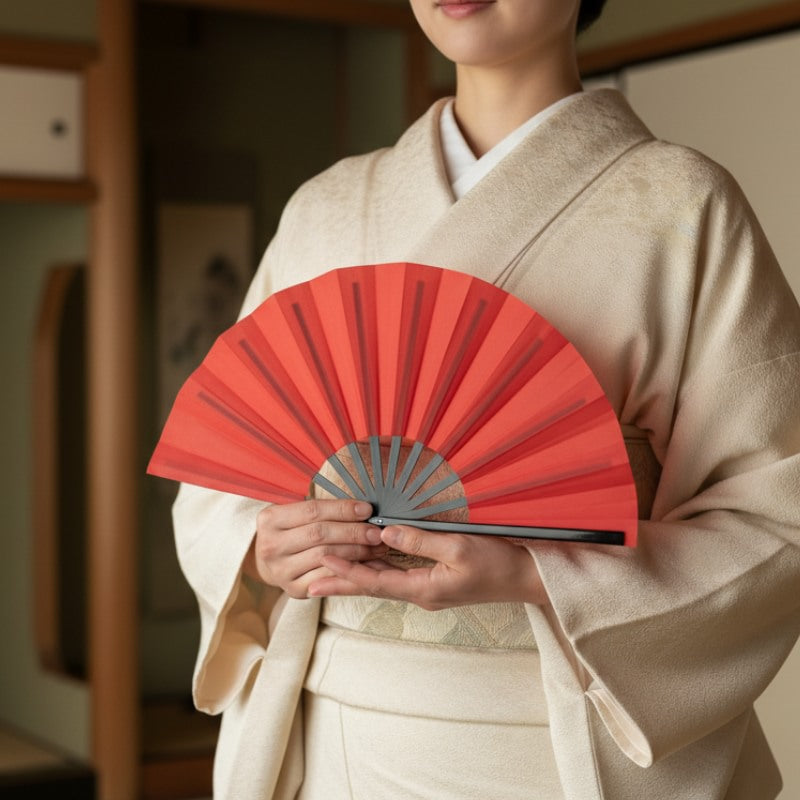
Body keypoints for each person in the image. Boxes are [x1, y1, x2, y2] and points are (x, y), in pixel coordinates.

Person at [171, 1, 800, 797]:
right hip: (335, 733)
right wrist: (261, 549)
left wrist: (539, 573)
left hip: (553, 745)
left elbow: (777, 517)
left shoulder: (684, 205)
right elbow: (225, 468)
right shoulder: (323, 209)